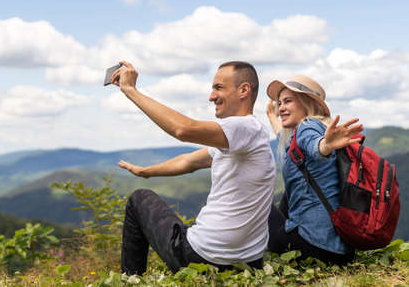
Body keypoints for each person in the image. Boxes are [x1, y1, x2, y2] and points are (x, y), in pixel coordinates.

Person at [110, 61, 276, 275]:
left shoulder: (245, 127)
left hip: (202, 258)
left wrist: (130, 90)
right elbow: (188, 162)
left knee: (138, 199)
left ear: (243, 90)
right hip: (248, 263)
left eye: (218, 88)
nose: (211, 96)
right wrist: (145, 172)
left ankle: (129, 279)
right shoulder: (243, 138)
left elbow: (183, 129)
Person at [265, 75, 363, 265]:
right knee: (289, 193)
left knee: (255, 198)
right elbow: (288, 144)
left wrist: (325, 145)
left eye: (288, 101)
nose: (281, 108)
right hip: (339, 252)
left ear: (306, 102)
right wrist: (271, 116)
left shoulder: (307, 127)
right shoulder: (311, 129)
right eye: (279, 103)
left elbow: (316, 147)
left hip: (312, 248)